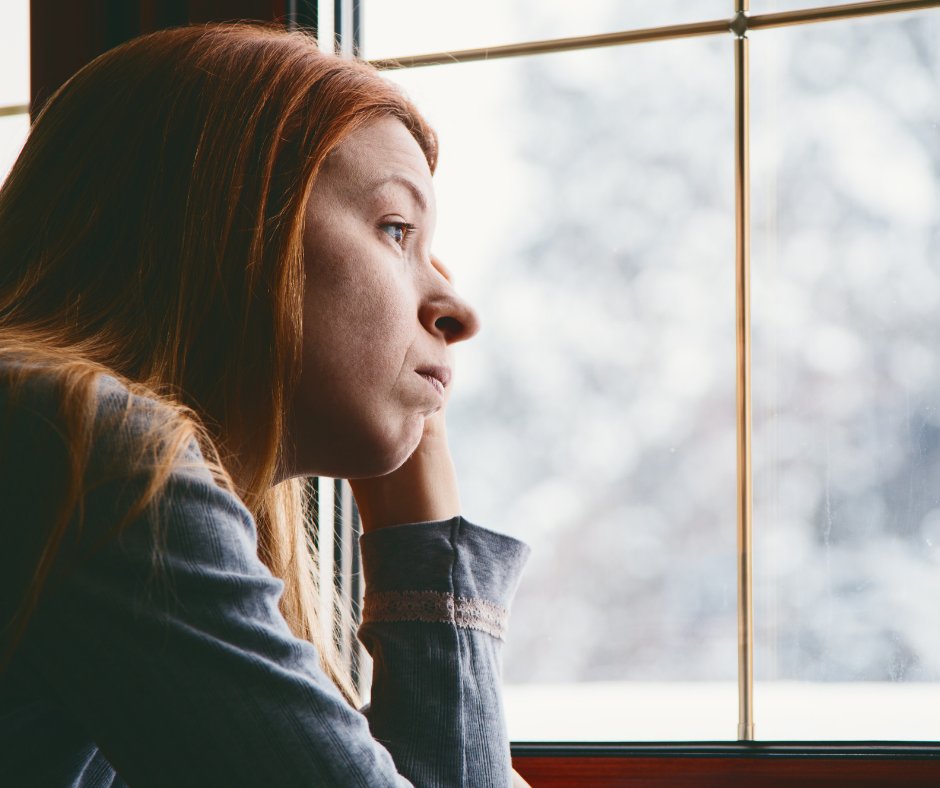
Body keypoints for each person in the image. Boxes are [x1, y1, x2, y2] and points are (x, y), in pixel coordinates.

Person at [0, 24, 530, 788]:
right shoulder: (85, 446)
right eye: (396, 230)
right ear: (230, 227)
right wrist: (424, 543)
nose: (457, 308)